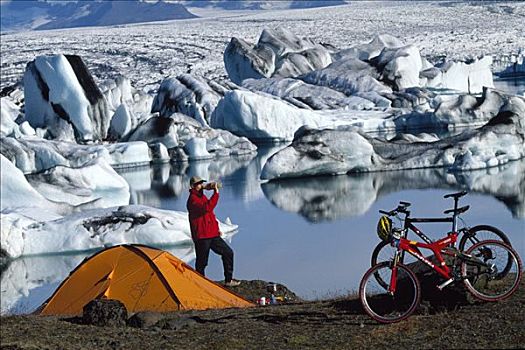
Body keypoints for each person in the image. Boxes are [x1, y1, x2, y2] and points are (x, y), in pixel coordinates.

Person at [186, 176, 241, 287]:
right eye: (198, 184)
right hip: (202, 236)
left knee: (228, 253)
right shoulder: (192, 200)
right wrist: (216, 193)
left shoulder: (202, 197)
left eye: (202, 183)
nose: (201, 185)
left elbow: (210, 215)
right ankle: (200, 283)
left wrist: (216, 229)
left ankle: (228, 280)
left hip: (212, 234)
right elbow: (207, 208)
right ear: (193, 186)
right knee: (202, 262)